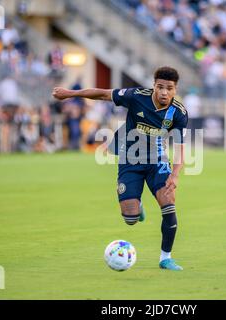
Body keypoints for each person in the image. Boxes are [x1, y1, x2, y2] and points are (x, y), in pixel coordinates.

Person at [52, 66, 188, 271]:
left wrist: (175, 175)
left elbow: (180, 147)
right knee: (130, 218)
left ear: (175, 89)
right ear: (154, 86)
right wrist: (71, 94)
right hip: (130, 159)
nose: (164, 92)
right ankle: (137, 206)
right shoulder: (136, 97)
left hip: (157, 161)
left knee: (168, 203)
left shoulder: (178, 113)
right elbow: (103, 94)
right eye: (160, 87)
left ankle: (165, 258)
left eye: (169, 88)